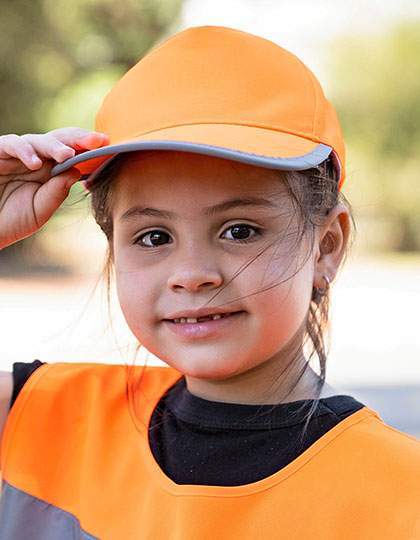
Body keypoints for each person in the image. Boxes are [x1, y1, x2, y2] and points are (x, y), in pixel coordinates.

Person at [0, 25, 420, 540]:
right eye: (154, 237)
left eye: (239, 231)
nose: (192, 274)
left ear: (325, 246)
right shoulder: (46, 419)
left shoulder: (402, 494)